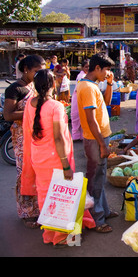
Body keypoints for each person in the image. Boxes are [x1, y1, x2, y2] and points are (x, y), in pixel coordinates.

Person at [21, 69, 95, 247]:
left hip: (38, 158)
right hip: (56, 159)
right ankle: (62, 236)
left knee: (46, 195)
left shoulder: (29, 104)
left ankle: (50, 233)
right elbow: (58, 137)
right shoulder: (56, 106)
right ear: (53, 85)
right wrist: (65, 165)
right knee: (62, 196)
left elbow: (28, 133)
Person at [76, 53, 117, 233]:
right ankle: (97, 219)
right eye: (106, 70)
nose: (107, 73)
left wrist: (109, 83)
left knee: (99, 176)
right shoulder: (87, 88)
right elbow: (91, 120)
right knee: (95, 180)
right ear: (97, 68)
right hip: (95, 140)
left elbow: (107, 103)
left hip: (99, 137)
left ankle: (104, 211)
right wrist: (102, 145)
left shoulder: (92, 86)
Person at [3, 55, 46, 228]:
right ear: (26, 69)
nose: (39, 74)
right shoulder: (15, 89)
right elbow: (8, 115)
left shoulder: (36, 86)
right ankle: (27, 212)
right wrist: (34, 110)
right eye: (37, 71)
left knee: (38, 172)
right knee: (25, 174)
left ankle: (39, 208)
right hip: (22, 136)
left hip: (37, 135)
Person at [71, 59, 90, 141]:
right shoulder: (81, 76)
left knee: (82, 117)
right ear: (82, 68)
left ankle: (81, 136)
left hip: (82, 98)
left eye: (89, 66)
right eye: (86, 67)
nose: (88, 68)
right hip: (78, 97)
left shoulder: (86, 75)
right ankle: (76, 136)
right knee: (76, 117)